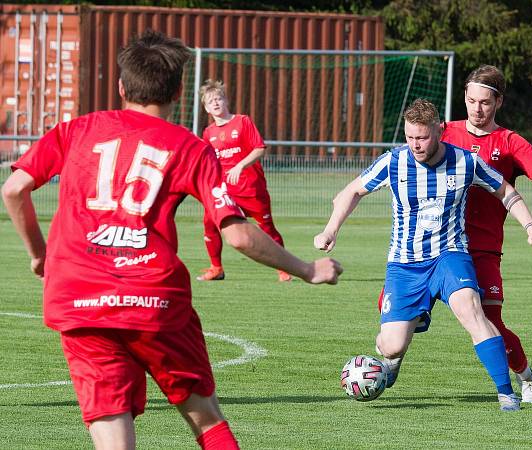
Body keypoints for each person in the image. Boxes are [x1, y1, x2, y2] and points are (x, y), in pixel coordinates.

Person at [1, 30, 342, 450]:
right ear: (180, 91)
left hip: (78, 296)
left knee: (113, 436)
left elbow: (14, 189)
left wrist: (41, 256)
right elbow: (236, 235)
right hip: (153, 300)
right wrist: (308, 269)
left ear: (122, 86)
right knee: (205, 419)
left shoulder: (76, 130)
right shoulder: (189, 146)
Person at [315, 98, 532, 411]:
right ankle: (395, 351)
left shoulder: (465, 161)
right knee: (393, 345)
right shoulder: (393, 162)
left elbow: (506, 190)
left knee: (472, 311)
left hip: (449, 255)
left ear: (439, 132)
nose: (415, 144)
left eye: (422, 137)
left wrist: (531, 226)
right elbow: (351, 191)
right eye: (410, 137)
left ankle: (506, 393)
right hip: (405, 264)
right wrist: (331, 230)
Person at [436, 64, 532, 401]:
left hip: (484, 248)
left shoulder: (510, 141)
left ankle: (527, 376)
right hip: (440, 247)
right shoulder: (443, 132)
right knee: (403, 307)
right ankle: (386, 363)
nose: (476, 108)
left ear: (498, 102)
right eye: (471, 100)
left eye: (485, 102)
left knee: (492, 325)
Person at [196, 80, 292, 282]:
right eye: (210, 101)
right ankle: (216, 269)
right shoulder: (208, 133)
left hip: (251, 189)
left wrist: (240, 166)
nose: (215, 103)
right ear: (205, 108)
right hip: (225, 191)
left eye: (218, 99)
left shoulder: (242, 122)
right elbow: (209, 161)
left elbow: (259, 148)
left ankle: (283, 269)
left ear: (226, 101)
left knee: (267, 228)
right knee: (209, 224)